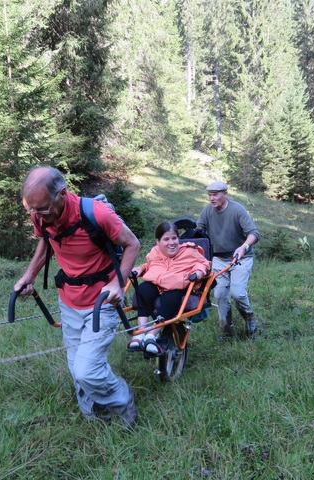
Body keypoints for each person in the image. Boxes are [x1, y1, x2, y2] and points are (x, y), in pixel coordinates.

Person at [14, 167, 141, 427]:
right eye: (31, 210)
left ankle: (122, 400)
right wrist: (30, 275)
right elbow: (46, 241)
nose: (37, 216)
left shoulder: (96, 213)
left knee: (87, 370)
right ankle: (95, 418)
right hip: (69, 300)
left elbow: (133, 244)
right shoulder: (40, 215)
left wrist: (118, 285)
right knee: (76, 370)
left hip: (102, 301)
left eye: (42, 209)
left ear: (62, 194)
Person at [128, 221, 211, 355]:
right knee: (143, 290)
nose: (171, 243)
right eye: (166, 239)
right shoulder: (155, 252)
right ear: (157, 241)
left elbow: (202, 264)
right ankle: (139, 334)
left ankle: (151, 335)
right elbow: (149, 265)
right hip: (157, 282)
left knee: (170, 298)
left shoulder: (189, 251)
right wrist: (141, 268)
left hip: (177, 284)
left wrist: (199, 272)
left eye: (174, 238)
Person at [196, 180, 260, 338]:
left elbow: (254, 234)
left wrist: (244, 246)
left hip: (240, 257)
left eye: (215, 195)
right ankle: (226, 330)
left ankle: (249, 318)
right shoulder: (207, 212)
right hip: (218, 258)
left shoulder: (237, 210)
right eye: (209, 195)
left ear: (225, 194)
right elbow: (197, 233)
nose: (212, 198)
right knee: (220, 295)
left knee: (238, 293)